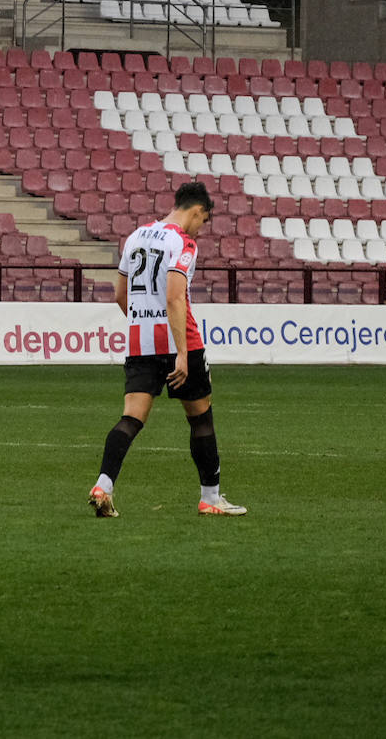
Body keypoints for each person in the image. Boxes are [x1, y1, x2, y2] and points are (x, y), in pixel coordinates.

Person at [87, 181, 247, 519]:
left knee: (131, 418)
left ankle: (104, 485)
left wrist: (144, 322)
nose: (201, 229)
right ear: (197, 211)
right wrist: (182, 353)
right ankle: (210, 498)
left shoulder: (135, 237)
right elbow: (175, 296)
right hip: (180, 342)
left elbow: (119, 295)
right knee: (201, 418)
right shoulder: (183, 243)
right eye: (203, 221)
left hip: (140, 342)